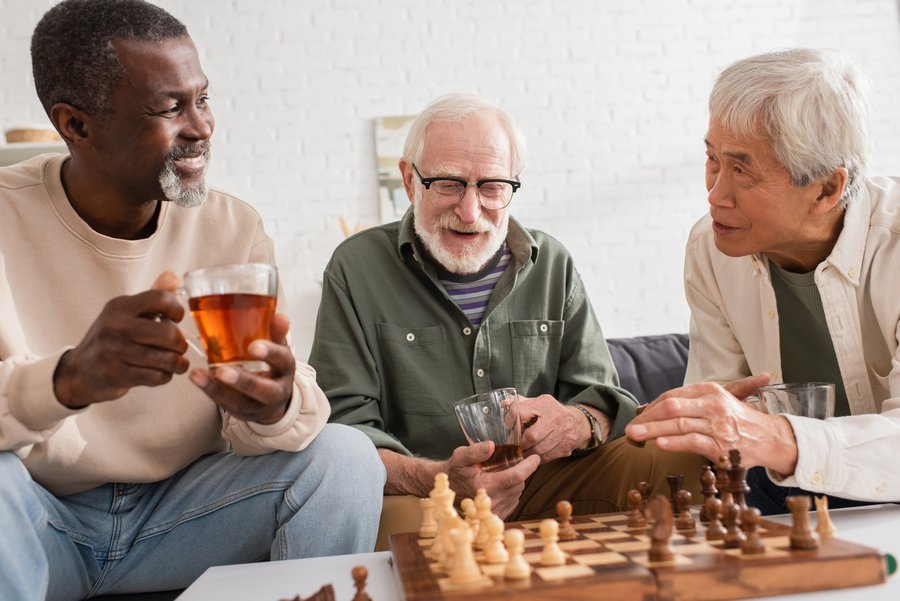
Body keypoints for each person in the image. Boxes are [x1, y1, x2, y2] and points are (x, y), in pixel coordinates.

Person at [0, 1, 384, 599]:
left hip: (184, 517)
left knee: (344, 458)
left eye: (202, 99)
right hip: (41, 520)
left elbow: (259, 416)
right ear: (76, 124)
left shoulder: (232, 228)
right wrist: (69, 379)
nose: (201, 126)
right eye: (169, 107)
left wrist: (274, 405)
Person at [308, 93, 705, 524]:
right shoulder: (355, 267)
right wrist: (439, 478)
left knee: (679, 457)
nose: (469, 210)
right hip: (424, 494)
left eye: (492, 186)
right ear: (409, 180)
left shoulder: (552, 263)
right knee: (385, 510)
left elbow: (604, 399)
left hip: (549, 482)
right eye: (447, 183)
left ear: (513, 185)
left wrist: (575, 422)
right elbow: (345, 433)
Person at [625, 48, 900, 514]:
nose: (714, 194)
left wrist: (776, 437)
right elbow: (721, 418)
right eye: (712, 159)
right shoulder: (710, 249)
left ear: (826, 189)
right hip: (784, 496)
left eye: (742, 170)